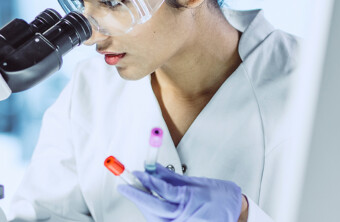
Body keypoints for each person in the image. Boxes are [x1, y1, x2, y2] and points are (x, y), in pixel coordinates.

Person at [9, 0, 298, 221]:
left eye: (112, 3)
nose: (91, 37)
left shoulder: (313, 86)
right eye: (82, 4)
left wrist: (245, 216)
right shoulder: (91, 89)